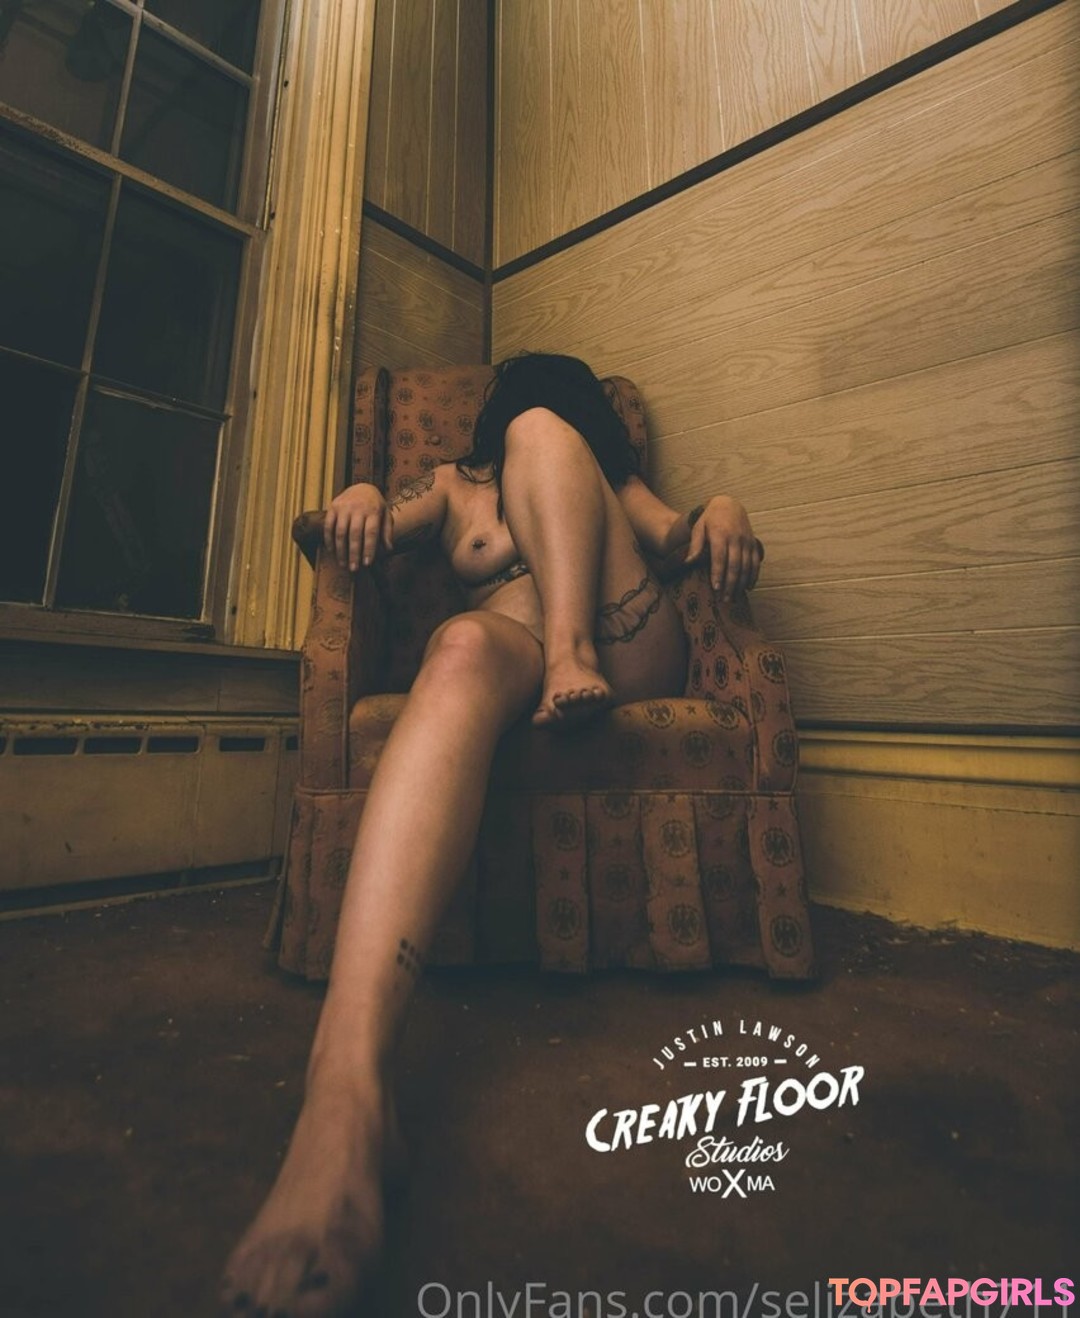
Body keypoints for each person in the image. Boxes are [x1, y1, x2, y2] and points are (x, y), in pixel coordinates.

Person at [219, 353, 764, 1315]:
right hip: (509, 646)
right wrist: (356, 497)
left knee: (540, 439)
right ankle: (346, 1096)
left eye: (561, 393)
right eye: (521, 389)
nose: (536, 402)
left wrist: (722, 507)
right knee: (459, 644)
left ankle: (571, 652)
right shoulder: (449, 487)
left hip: (623, 644)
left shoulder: (605, 474)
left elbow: (678, 539)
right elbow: (349, 533)